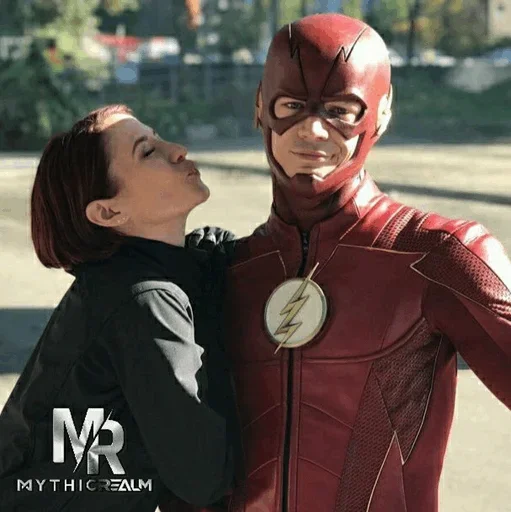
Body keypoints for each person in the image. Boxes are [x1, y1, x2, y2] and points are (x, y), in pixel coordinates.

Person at [180, 13, 511, 512]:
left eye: (340, 110)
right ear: (260, 107)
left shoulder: (437, 255)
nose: (312, 130)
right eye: (292, 106)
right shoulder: (223, 272)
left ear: (381, 113)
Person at [0, 104, 240, 511]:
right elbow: (205, 476)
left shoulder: (119, 282)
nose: (177, 150)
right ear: (108, 211)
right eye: (147, 152)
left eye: (158, 138)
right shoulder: (141, 299)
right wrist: (212, 306)